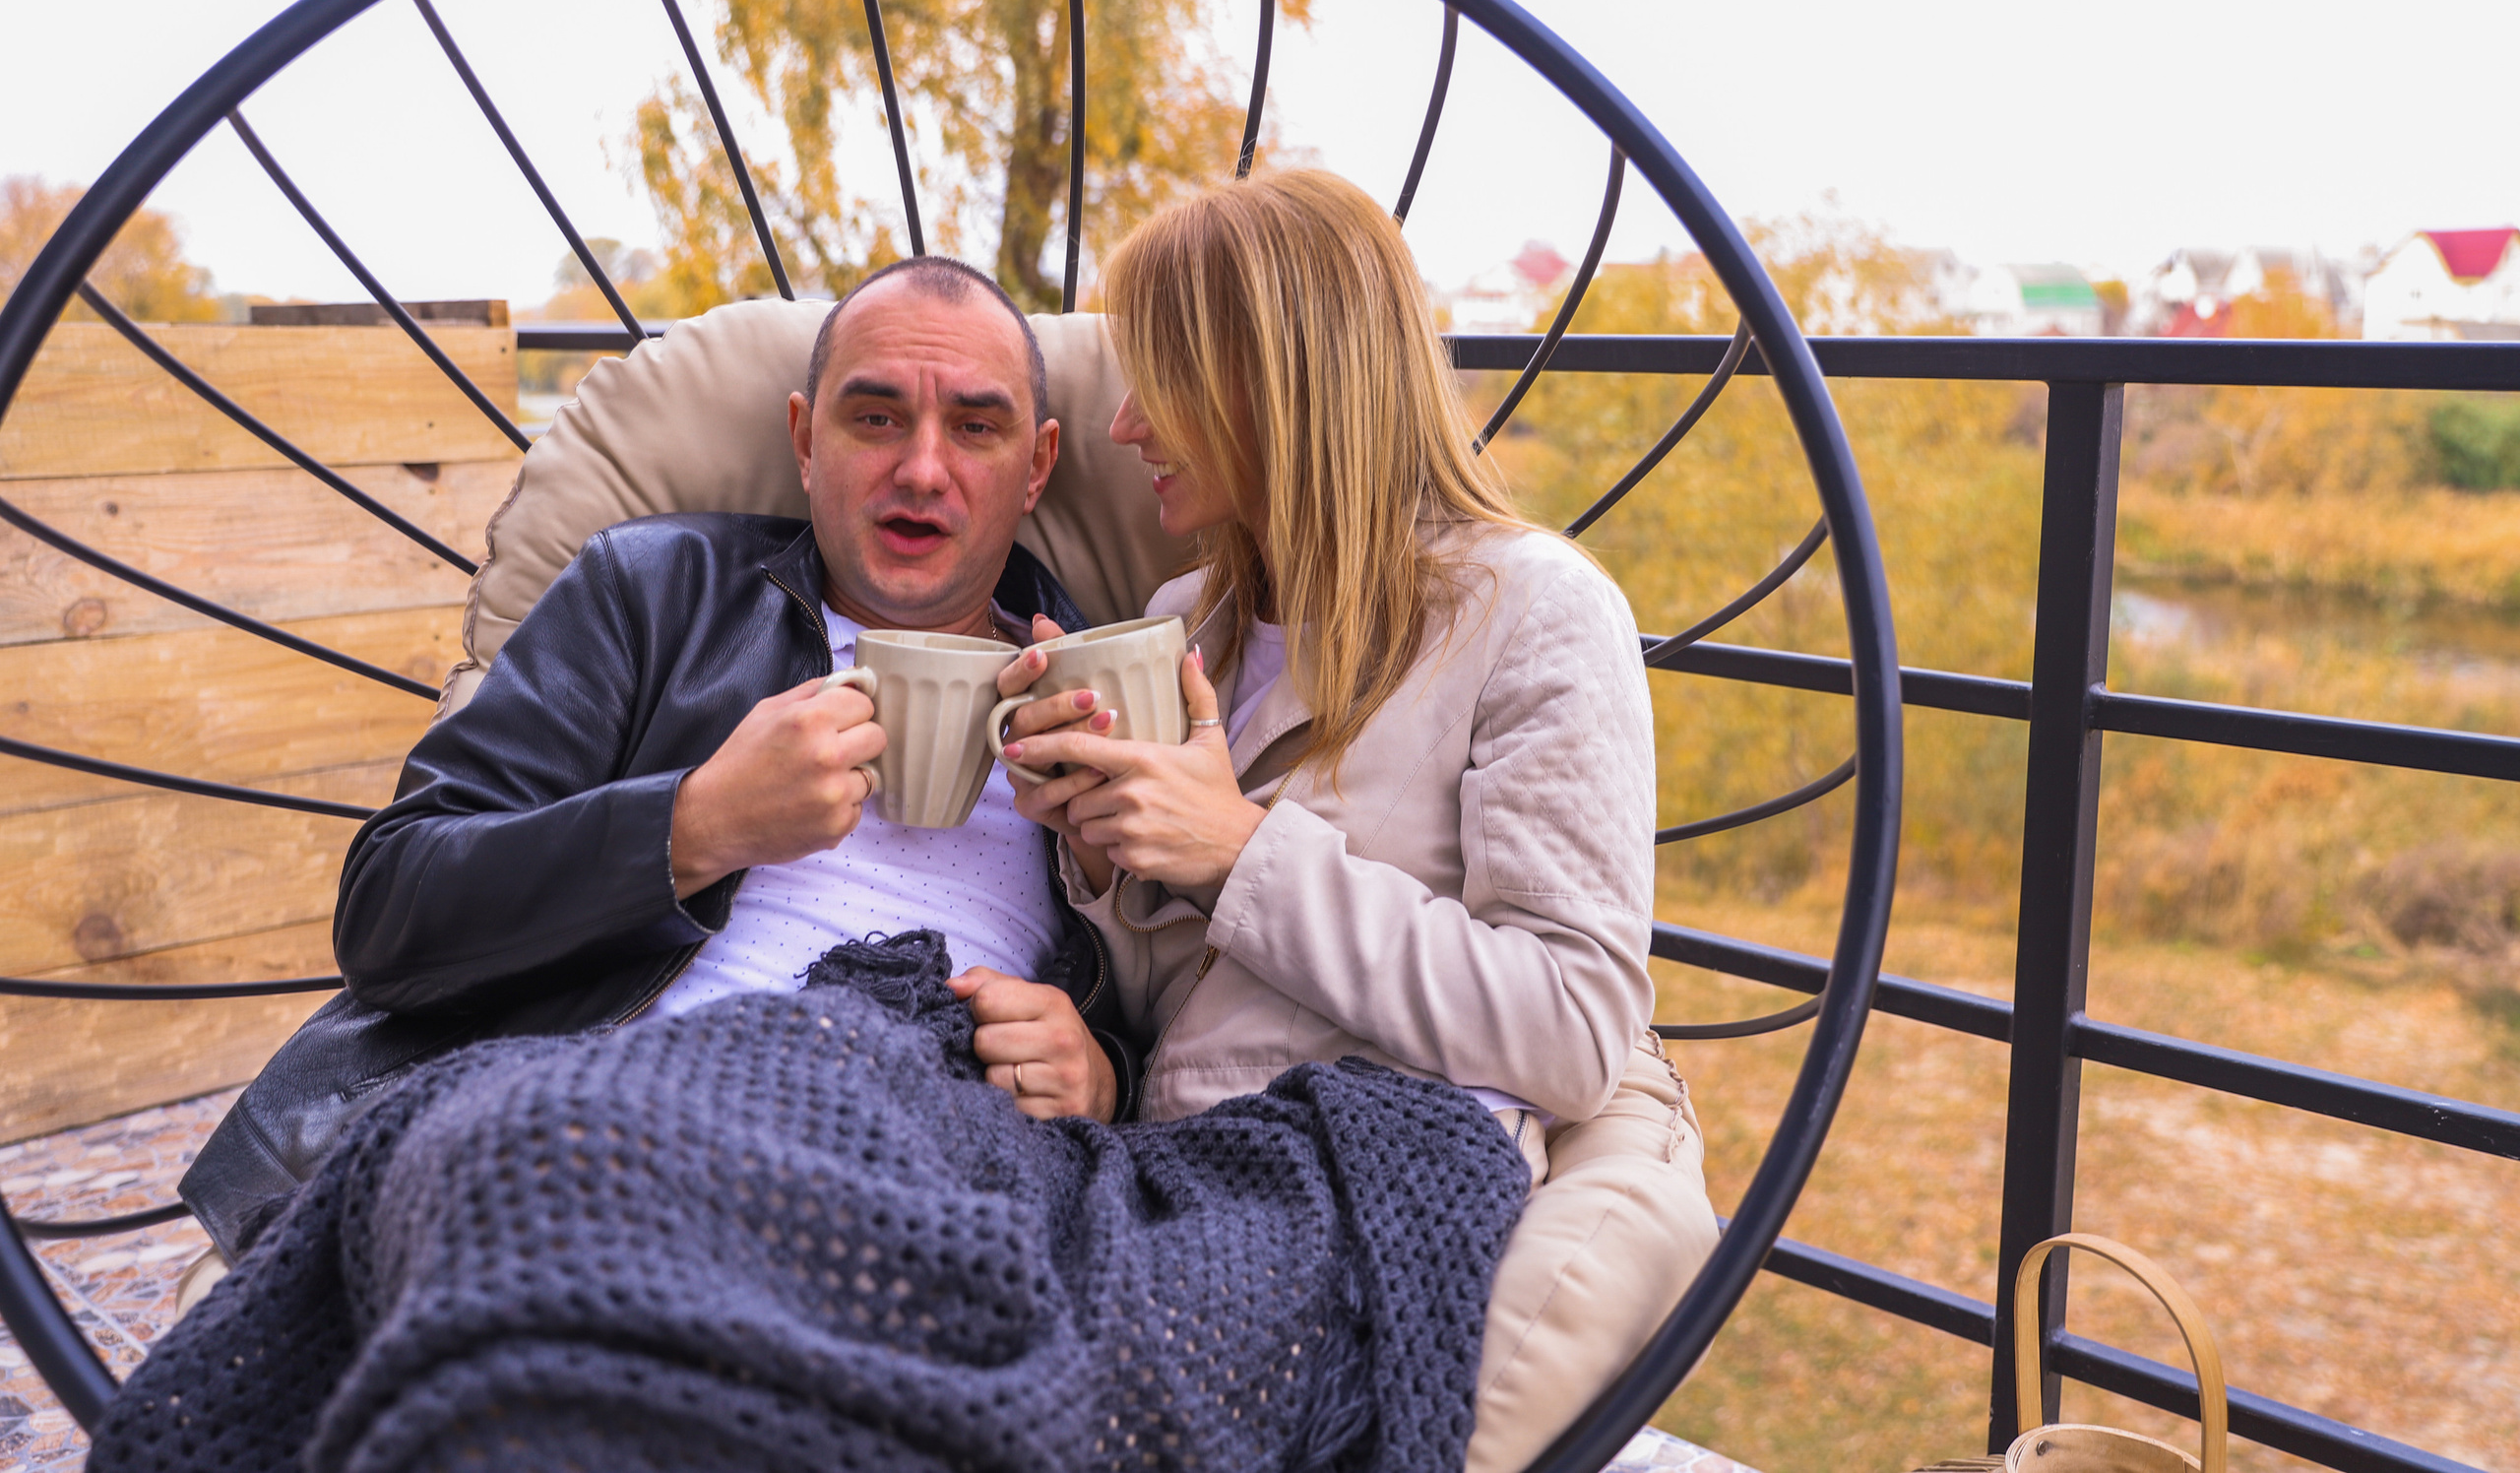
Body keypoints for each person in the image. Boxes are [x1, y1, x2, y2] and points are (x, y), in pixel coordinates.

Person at [178, 254, 1138, 1264]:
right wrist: (696, 826)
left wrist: (1101, 1069)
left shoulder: (1099, 690)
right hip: (594, 1131)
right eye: (876, 418)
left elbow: (1185, 1003)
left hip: (919, 1183)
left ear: (1036, 466)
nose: (922, 470)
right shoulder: (654, 591)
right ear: (805, 440)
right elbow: (388, 916)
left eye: (976, 429)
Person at [993, 167, 1720, 1472]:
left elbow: (1568, 1024)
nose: (1120, 423)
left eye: (1159, 379)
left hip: (1367, 1193)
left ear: (1271, 379)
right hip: (1164, 1176)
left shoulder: (1531, 611)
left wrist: (1236, 849)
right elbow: (1185, 1000)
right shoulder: (1182, 617)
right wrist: (1106, 853)